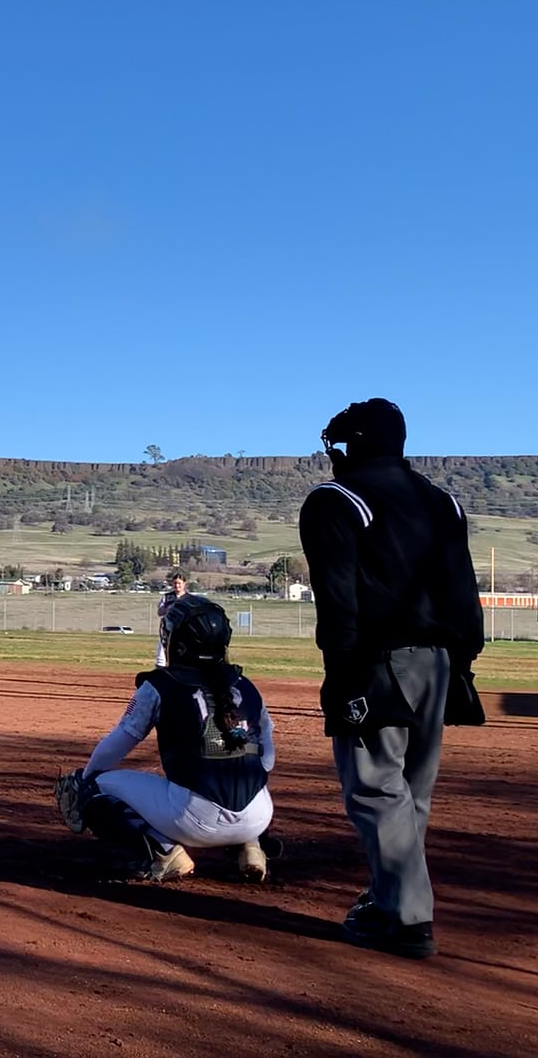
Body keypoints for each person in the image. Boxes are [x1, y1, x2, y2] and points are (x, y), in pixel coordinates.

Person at [299, 398, 484, 960]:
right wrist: (462, 663)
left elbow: (338, 598)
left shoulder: (336, 499)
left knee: (377, 787)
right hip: (441, 661)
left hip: (378, 660)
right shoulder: (443, 501)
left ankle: (404, 917)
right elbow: (464, 588)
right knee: (411, 792)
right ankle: (391, 897)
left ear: (354, 445)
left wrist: (342, 674)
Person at [53, 595, 277, 882]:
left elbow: (118, 743)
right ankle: (251, 846)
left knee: (95, 789)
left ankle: (165, 853)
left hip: (195, 821)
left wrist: (87, 777)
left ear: (178, 642)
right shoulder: (246, 686)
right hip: (259, 817)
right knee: (240, 771)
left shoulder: (160, 685)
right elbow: (267, 760)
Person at [154, 573, 188, 667]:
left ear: (184, 584)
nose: (177, 585)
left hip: (183, 632)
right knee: (162, 656)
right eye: (175, 583)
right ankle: (160, 672)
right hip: (167, 631)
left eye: (179, 583)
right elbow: (160, 612)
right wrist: (168, 609)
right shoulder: (167, 597)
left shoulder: (189, 599)